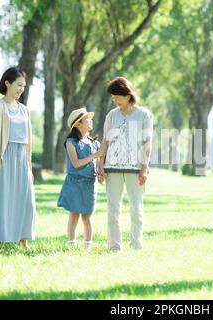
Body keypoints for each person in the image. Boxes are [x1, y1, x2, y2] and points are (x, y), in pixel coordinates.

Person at [0, 67, 36, 251]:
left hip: (21, 158)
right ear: (7, 83)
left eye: (24, 86)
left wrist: (29, 166)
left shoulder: (25, 110)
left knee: (26, 199)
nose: (21, 89)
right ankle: (0, 241)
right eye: (19, 85)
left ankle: (24, 240)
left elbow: (28, 141)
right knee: (2, 198)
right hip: (3, 159)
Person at [98, 77, 153, 252]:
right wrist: (101, 165)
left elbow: (147, 144)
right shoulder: (111, 115)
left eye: (117, 97)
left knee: (136, 209)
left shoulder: (144, 115)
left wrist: (144, 169)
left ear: (127, 95)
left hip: (136, 170)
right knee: (113, 210)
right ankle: (115, 247)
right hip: (112, 169)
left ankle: (136, 245)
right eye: (113, 98)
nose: (115, 101)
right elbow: (105, 141)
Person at [57, 108, 105, 253]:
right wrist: (95, 155)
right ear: (78, 124)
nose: (91, 121)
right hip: (75, 183)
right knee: (73, 216)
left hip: (90, 185)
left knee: (87, 217)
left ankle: (87, 247)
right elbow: (76, 163)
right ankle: (71, 245)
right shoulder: (71, 142)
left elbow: (97, 166)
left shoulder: (95, 143)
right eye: (87, 119)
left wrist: (100, 174)